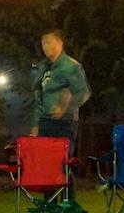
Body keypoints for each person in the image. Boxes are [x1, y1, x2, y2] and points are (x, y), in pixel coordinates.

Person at [30, 29, 90, 199]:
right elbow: (39, 98)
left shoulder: (71, 66)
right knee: (47, 167)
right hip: (44, 122)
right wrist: (35, 124)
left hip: (65, 123)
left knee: (63, 164)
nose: (45, 46)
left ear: (60, 43)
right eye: (43, 43)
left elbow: (83, 93)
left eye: (49, 42)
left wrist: (65, 107)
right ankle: (50, 205)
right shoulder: (43, 67)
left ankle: (68, 204)